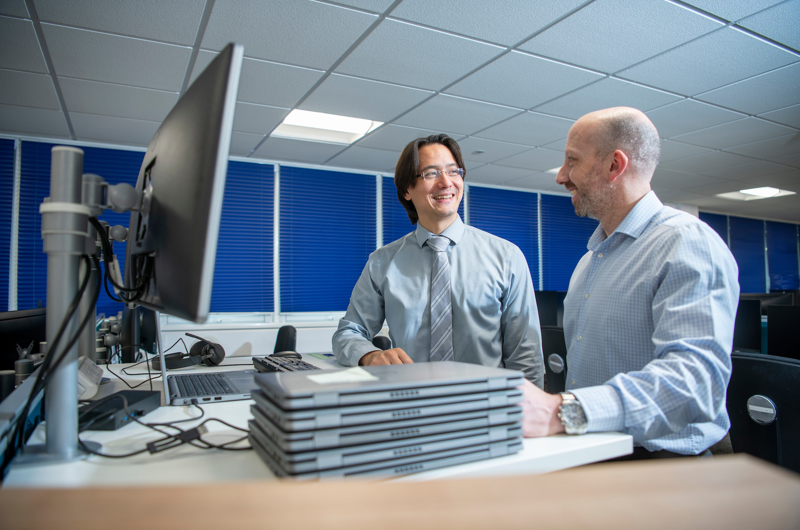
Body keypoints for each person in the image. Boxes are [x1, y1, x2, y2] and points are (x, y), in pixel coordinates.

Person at [521, 107, 739, 458]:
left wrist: (561, 411)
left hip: (664, 466)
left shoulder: (685, 242)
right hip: (591, 450)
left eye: (572, 161)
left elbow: (694, 383)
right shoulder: (588, 262)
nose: (561, 176)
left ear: (614, 165)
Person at [332, 134, 544, 386]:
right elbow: (348, 332)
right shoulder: (382, 262)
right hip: (410, 405)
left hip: (487, 407)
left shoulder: (507, 257)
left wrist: (529, 418)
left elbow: (526, 356)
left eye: (454, 171)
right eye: (431, 173)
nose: (446, 182)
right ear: (407, 189)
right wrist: (369, 355)